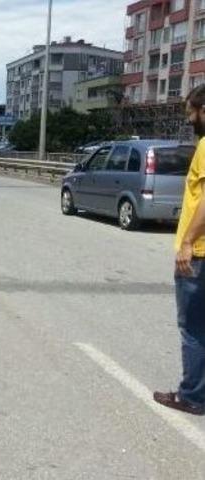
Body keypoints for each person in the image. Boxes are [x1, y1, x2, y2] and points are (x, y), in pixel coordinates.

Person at [154, 84, 205, 415]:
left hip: (199, 253)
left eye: (191, 112)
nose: (189, 119)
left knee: (193, 329)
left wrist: (187, 242)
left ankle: (192, 396)